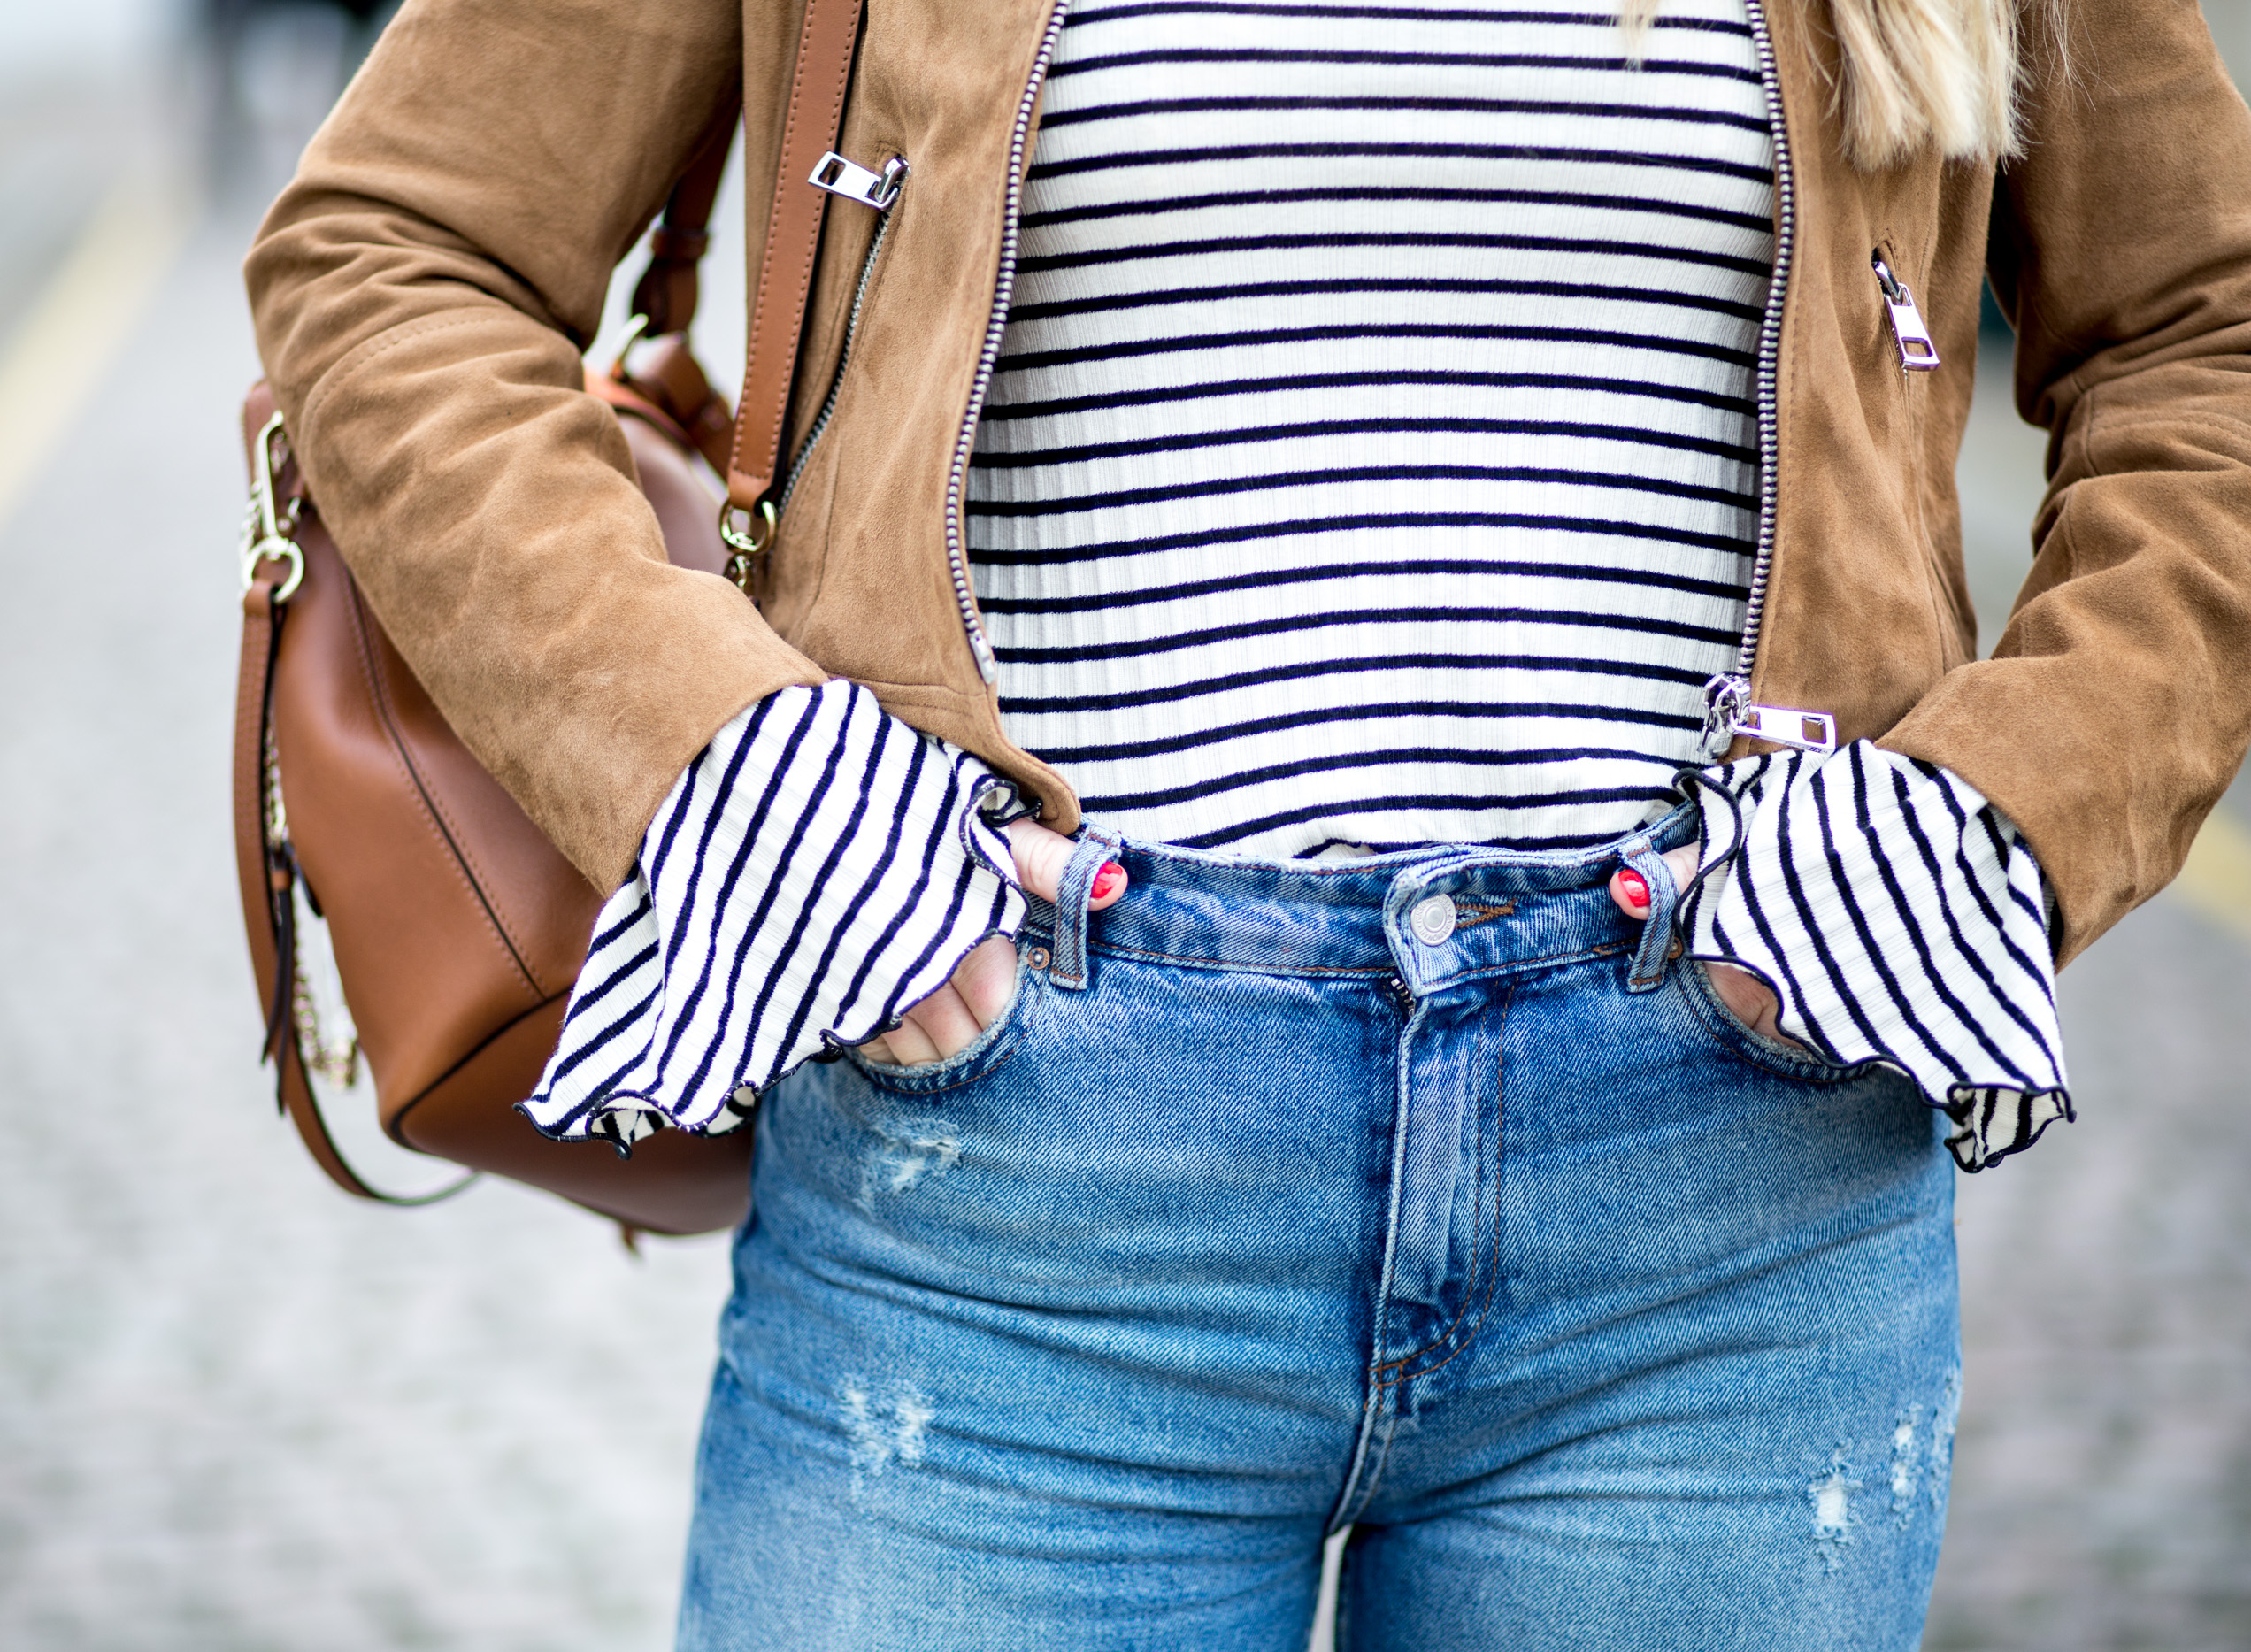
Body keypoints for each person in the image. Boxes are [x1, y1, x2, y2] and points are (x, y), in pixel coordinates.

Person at [245, 0, 2251, 1644]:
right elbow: (398, 253)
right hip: (1016, 1185)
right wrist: (721, 760)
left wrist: (2007, 803)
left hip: (1725, 1200)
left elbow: (2203, 334)